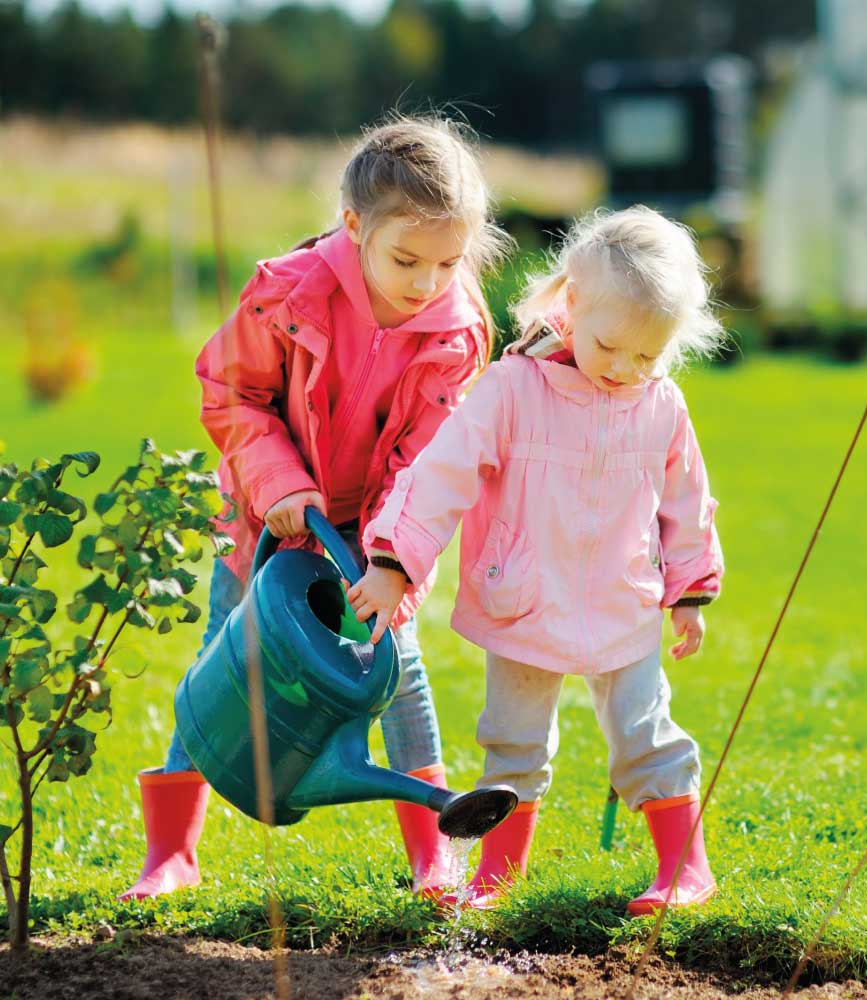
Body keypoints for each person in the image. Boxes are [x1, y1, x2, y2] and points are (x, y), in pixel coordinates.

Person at [120, 115, 512, 902]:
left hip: (376, 531)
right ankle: (172, 853)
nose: (426, 282)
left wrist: (392, 561)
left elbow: (431, 464)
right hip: (270, 522)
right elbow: (231, 390)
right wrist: (280, 486)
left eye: (447, 263)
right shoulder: (288, 292)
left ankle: (434, 855)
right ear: (354, 224)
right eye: (406, 259)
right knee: (222, 657)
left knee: (398, 676)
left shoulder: (458, 334)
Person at [346, 206, 725, 913]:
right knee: (514, 741)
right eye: (611, 345)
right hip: (523, 593)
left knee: (646, 735)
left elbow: (687, 501)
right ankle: (498, 879)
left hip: (624, 598)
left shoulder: (661, 405)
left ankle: (685, 871)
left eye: (648, 356)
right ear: (572, 305)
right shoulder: (512, 389)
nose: (624, 369)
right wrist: (395, 560)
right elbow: (442, 473)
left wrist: (689, 590)